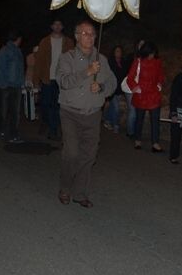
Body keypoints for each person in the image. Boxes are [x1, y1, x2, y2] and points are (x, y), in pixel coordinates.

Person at [56, 19, 116, 208]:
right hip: (70, 113)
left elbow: (113, 84)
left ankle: (80, 193)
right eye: (85, 33)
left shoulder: (102, 60)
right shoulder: (67, 58)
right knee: (72, 154)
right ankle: (65, 187)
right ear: (76, 37)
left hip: (92, 115)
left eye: (92, 34)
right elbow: (64, 82)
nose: (89, 37)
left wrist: (102, 87)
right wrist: (87, 72)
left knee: (89, 155)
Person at [34, 20, 75, 140]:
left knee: (57, 105)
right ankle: (46, 121)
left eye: (60, 24)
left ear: (62, 26)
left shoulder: (68, 42)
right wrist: (36, 81)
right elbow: (39, 63)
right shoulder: (45, 41)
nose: (57, 26)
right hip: (48, 78)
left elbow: (73, 61)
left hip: (62, 79)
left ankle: (53, 129)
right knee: (45, 104)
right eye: (55, 24)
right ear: (51, 26)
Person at [126, 41, 165, 153]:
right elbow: (130, 77)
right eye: (150, 53)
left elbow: (160, 75)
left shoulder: (157, 62)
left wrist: (159, 83)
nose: (152, 55)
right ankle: (138, 140)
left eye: (153, 53)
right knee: (139, 119)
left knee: (155, 120)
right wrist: (135, 87)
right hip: (141, 94)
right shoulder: (138, 61)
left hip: (153, 94)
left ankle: (155, 143)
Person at [0, 30, 25, 143]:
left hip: (16, 86)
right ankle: (2, 130)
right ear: (17, 38)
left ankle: (14, 133)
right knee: (4, 110)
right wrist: (2, 85)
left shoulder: (18, 51)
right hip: (6, 86)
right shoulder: (5, 51)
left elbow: (20, 68)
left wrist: (22, 82)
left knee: (15, 111)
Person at [104, 45, 130, 133]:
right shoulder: (110, 62)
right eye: (117, 51)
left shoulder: (123, 62)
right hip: (112, 88)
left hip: (120, 88)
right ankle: (116, 125)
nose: (118, 53)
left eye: (120, 51)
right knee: (116, 107)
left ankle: (107, 120)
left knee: (113, 106)